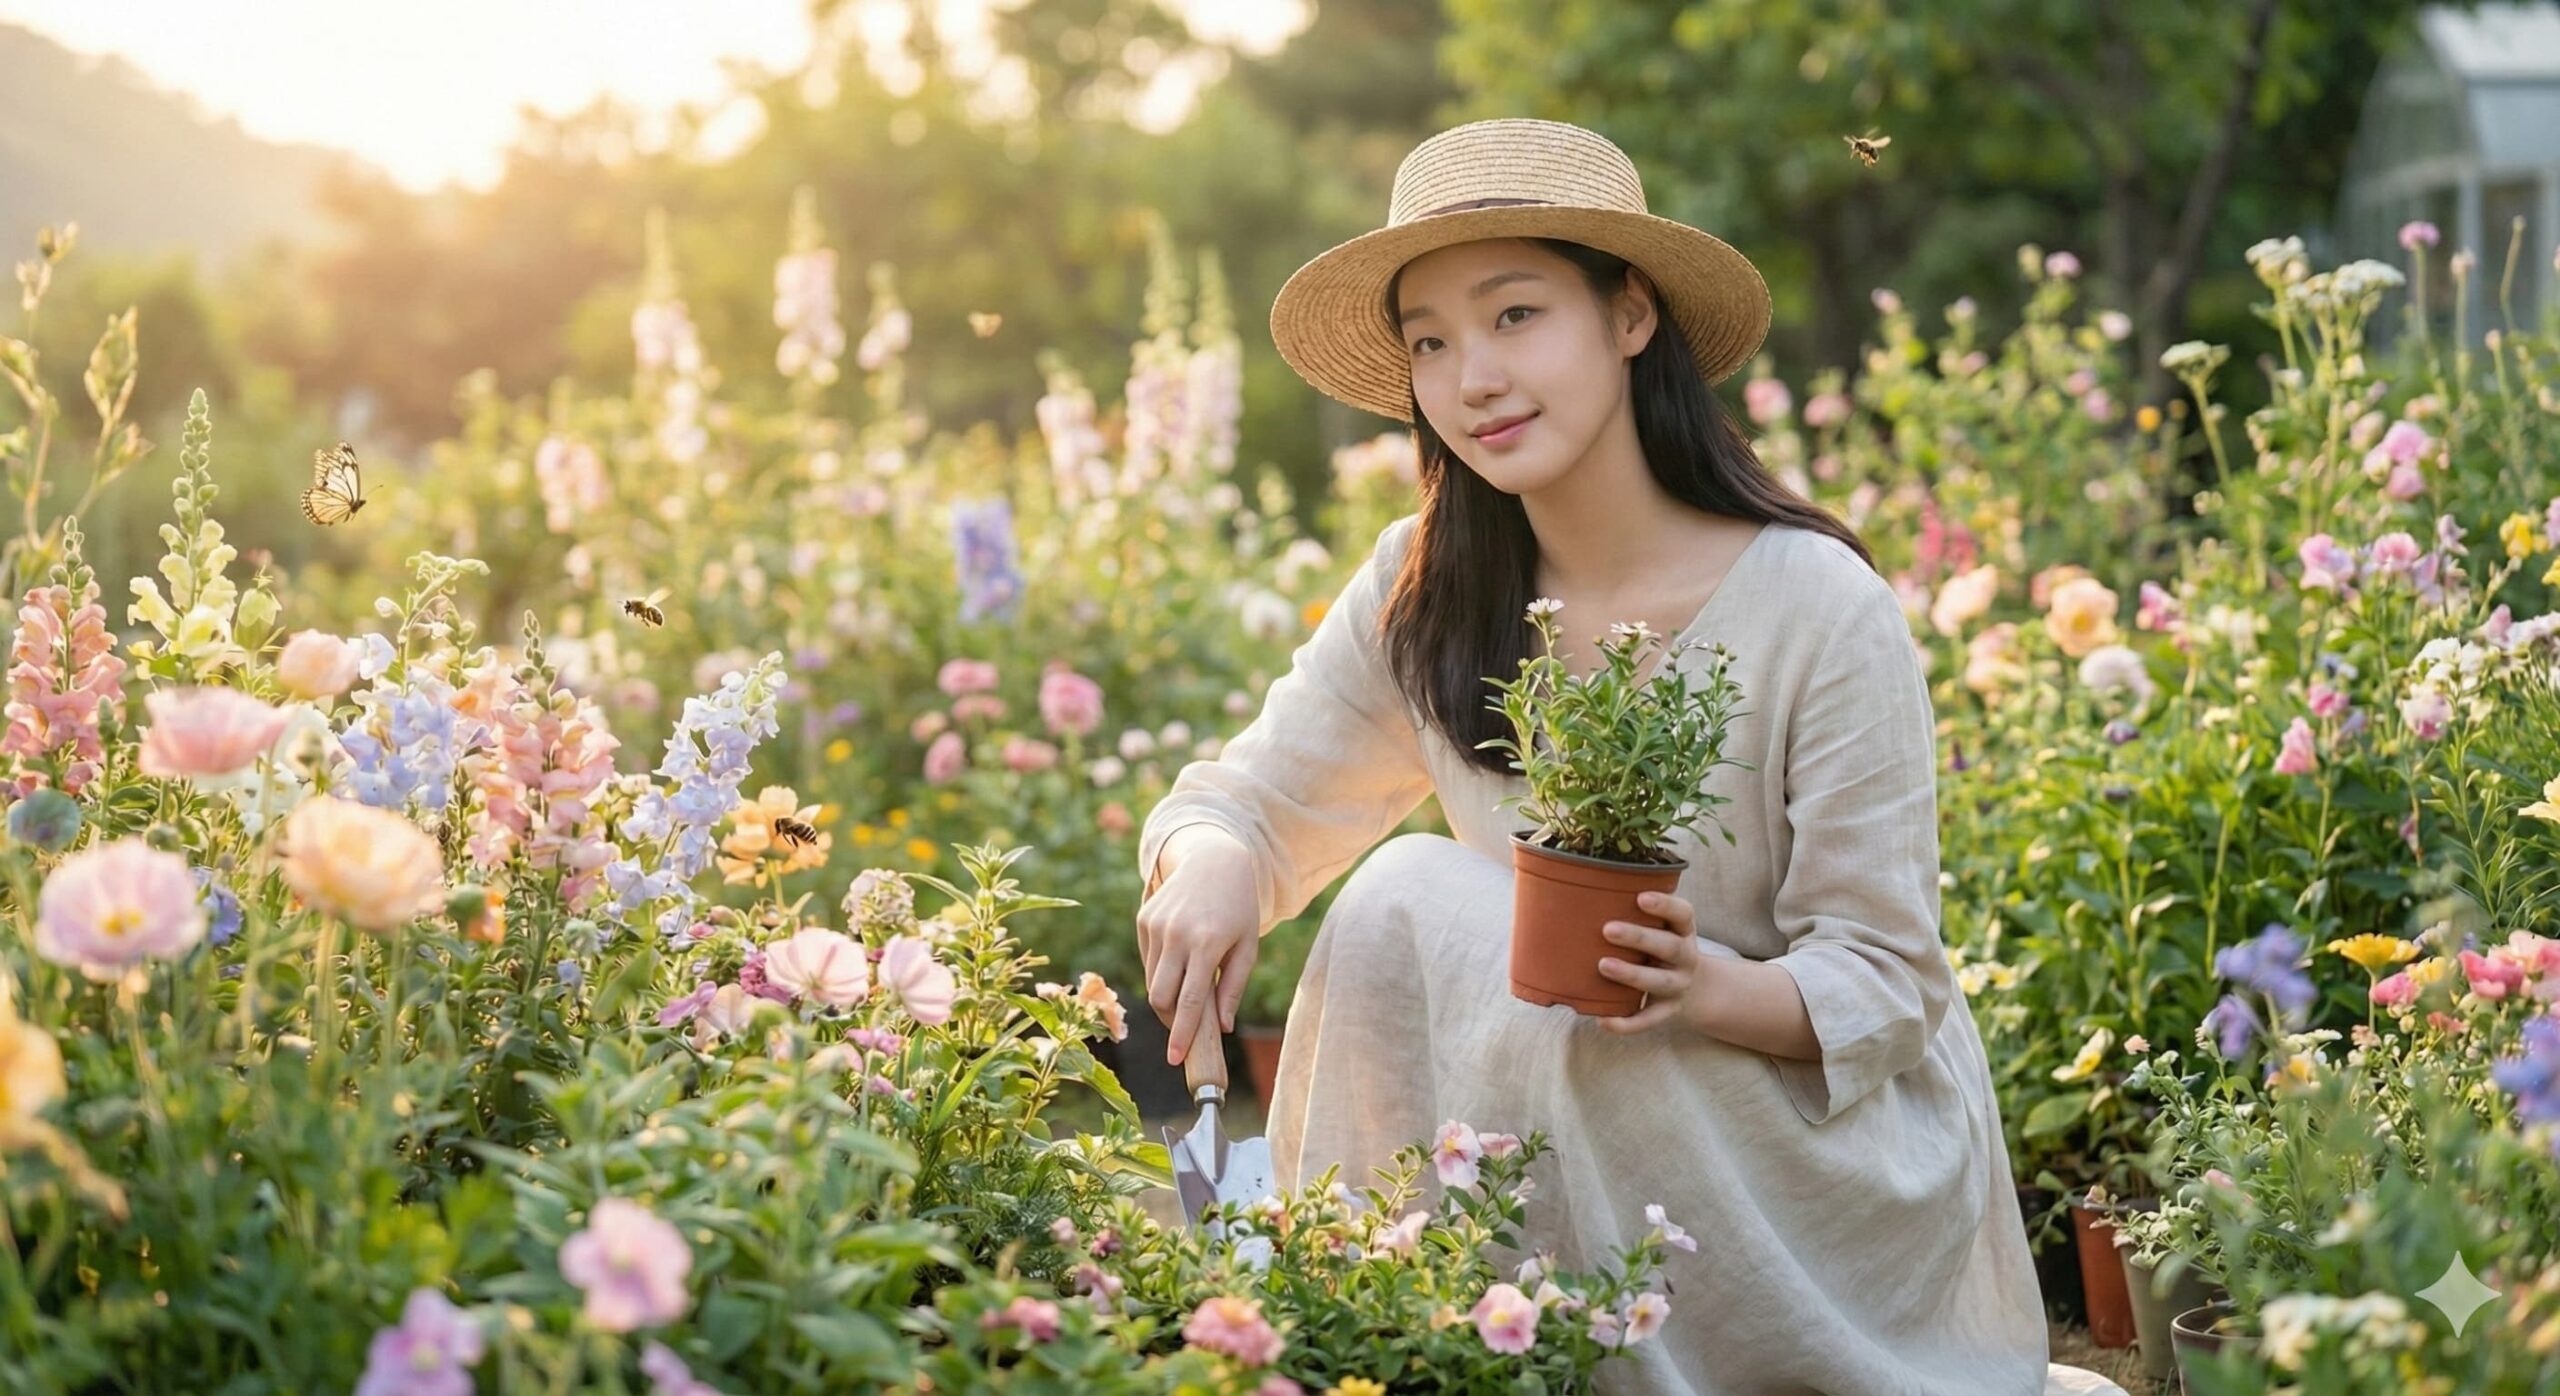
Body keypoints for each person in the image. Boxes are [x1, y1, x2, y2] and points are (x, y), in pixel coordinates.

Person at [1133, 118, 2057, 1395]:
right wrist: (1212, 857)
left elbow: (1888, 985)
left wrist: (1700, 984)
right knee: (1435, 915)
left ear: (1629, 316)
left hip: (1817, 1169)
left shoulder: (1817, 606)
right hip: (1578, 1092)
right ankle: (1378, 1340)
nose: (1471, 379)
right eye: (1432, 341)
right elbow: (1247, 798)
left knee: (1432, 906)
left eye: (1515, 315)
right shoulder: (1429, 587)